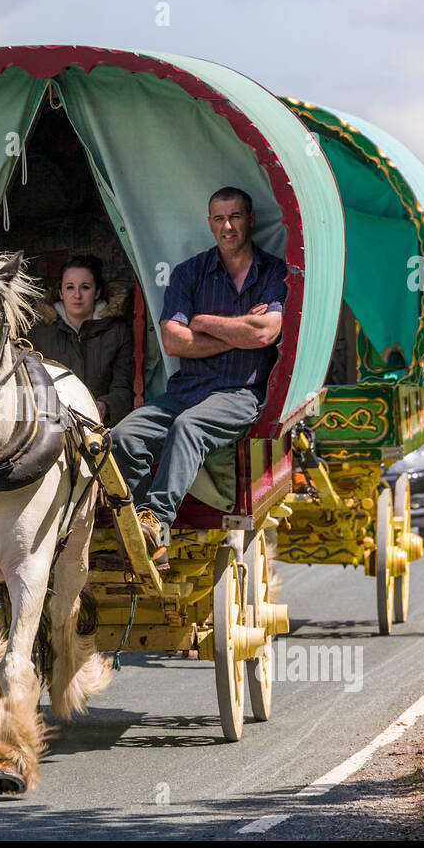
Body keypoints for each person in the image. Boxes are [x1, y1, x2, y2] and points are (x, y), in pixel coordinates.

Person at [99, 187, 285, 571]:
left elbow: (265, 334)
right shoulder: (190, 273)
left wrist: (201, 322)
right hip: (186, 389)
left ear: (250, 218)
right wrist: (236, 330)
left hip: (239, 393)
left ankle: (154, 519)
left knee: (188, 427)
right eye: (219, 218)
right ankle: (150, 544)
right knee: (122, 438)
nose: (228, 226)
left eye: (235, 216)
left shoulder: (273, 272)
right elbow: (173, 340)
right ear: (209, 223)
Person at [27, 254, 134, 426]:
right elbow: (29, 385)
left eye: (85, 287)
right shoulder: (38, 333)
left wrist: (105, 406)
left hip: (101, 426)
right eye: (70, 287)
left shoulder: (117, 331)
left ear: (97, 292)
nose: (77, 295)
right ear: (61, 293)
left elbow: (123, 388)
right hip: (52, 427)